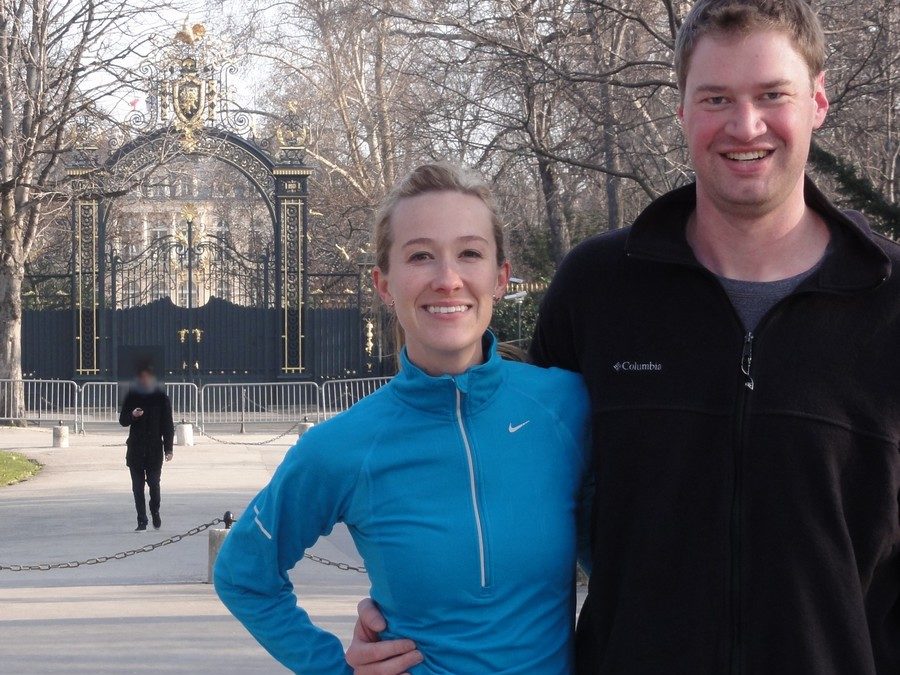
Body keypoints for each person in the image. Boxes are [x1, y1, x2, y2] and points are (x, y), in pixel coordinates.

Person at [346, 1, 900, 673]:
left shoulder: (888, 301)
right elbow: (501, 476)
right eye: (716, 97)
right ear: (683, 113)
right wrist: (412, 609)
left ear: (816, 101)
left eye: (771, 95)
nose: (744, 124)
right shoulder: (599, 288)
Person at [213, 162, 591, 674]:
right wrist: (334, 668)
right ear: (384, 283)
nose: (447, 279)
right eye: (420, 256)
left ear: (500, 277)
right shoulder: (342, 446)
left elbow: (632, 560)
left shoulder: (566, 406)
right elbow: (241, 574)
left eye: (470, 253)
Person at [118, 365, 174, 531]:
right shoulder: (132, 397)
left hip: (154, 450)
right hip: (135, 449)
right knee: (137, 487)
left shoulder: (161, 398)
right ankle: (142, 520)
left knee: (154, 484)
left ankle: (154, 510)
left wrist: (169, 449)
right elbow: (123, 420)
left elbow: (167, 425)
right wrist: (133, 415)